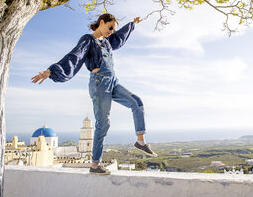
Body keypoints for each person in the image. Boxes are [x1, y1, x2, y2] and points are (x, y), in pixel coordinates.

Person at [31, 13, 158, 175]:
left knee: (137, 102)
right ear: (101, 22)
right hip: (99, 84)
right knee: (103, 124)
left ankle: (140, 141)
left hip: (113, 82)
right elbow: (74, 56)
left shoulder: (107, 42)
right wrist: (50, 71)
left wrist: (132, 24)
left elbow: (120, 37)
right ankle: (95, 164)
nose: (111, 31)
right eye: (110, 27)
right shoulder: (88, 40)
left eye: (113, 29)